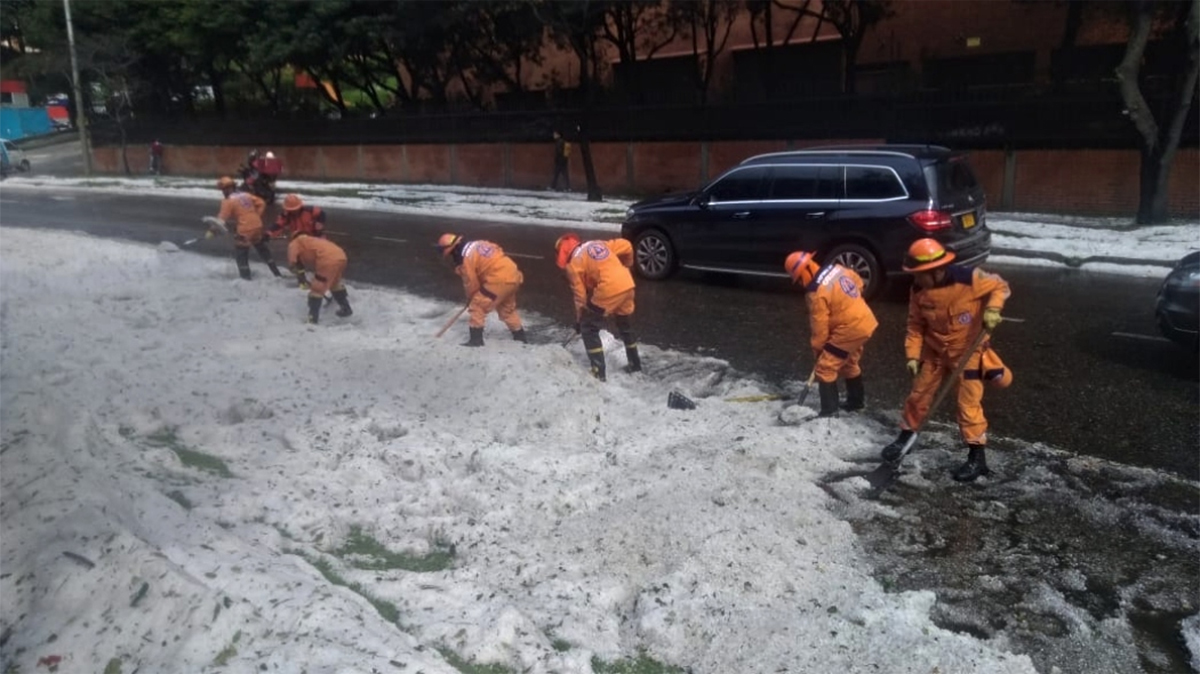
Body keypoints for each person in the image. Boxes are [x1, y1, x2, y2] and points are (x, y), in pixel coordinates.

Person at [880, 238, 1012, 482]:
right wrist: (912, 354)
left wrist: (993, 309)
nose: (916, 279)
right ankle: (906, 437)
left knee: (968, 404)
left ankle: (977, 457)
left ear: (936, 270)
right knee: (918, 395)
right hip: (935, 350)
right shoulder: (919, 290)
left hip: (967, 350)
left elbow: (1000, 286)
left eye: (920, 274)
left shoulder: (969, 278)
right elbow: (915, 325)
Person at [784, 250, 878, 417]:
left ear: (805, 271)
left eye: (798, 279)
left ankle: (829, 412)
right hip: (865, 320)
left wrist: (819, 352)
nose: (800, 284)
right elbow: (858, 282)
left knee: (826, 368)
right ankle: (856, 403)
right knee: (849, 363)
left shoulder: (816, 293)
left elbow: (819, 328)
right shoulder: (837, 269)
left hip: (849, 329)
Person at [555, 233, 640, 381]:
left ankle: (598, 372)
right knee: (625, 325)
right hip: (627, 284)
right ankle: (635, 364)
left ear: (563, 253)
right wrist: (627, 266)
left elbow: (580, 297)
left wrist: (579, 321)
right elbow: (627, 245)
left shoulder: (573, 265)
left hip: (608, 288)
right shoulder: (599, 243)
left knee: (589, 327)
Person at [435, 233, 527, 346]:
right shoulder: (477, 244)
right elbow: (497, 249)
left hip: (498, 280)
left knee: (477, 305)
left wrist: (470, 299)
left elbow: (471, 283)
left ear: (452, 250)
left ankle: (476, 340)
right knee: (507, 310)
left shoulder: (465, 259)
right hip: (513, 274)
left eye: (449, 254)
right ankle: (520, 338)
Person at [214, 176, 282, 281]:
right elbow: (261, 203)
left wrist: (213, 229)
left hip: (245, 229)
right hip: (257, 226)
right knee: (262, 249)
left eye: (223, 189)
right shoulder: (246, 195)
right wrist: (256, 215)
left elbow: (221, 219)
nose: (223, 192)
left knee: (241, 253)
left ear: (228, 188)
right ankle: (276, 273)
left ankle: (246, 278)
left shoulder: (228, 201)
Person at [288, 233, 352, 324]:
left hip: (327, 260)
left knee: (317, 289)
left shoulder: (295, 243)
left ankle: (312, 319)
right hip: (341, 257)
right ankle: (346, 308)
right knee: (334, 283)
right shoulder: (313, 240)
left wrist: (298, 274)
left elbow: (292, 263)